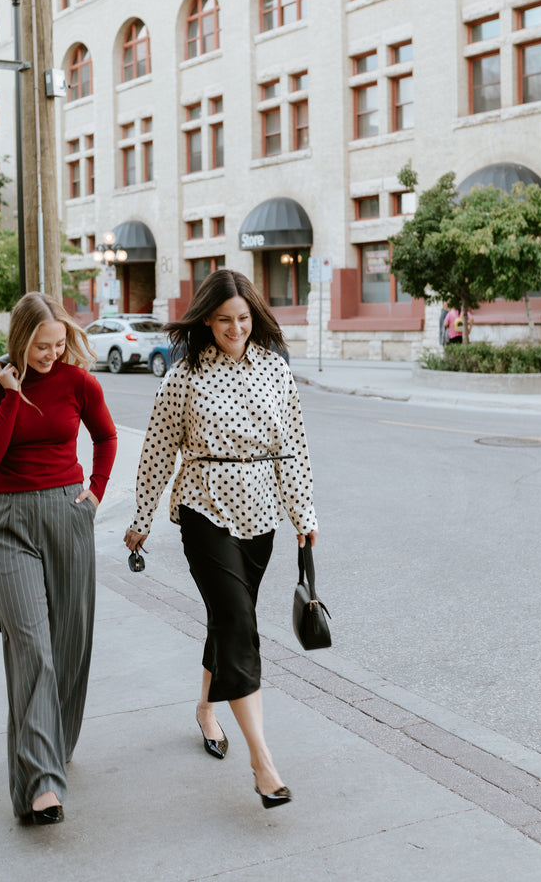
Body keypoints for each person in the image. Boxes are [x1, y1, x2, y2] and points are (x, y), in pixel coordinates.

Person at [124, 269, 318, 809]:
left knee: (230, 619)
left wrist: (304, 513)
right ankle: (263, 763)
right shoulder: (183, 377)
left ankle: (207, 709)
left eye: (244, 318)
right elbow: (158, 452)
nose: (236, 328)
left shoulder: (276, 372)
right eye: (224, 319)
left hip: (262, 516)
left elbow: (295, 447)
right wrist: (141, 517)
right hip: (203, 508)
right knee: (238, 621)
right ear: (205, 320)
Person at [0, 292, 117, 825]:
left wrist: (95, 493)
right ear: (20, 338)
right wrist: (11, 396)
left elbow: (106, 436)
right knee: (31, 646)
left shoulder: (78, 382)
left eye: (59, 345)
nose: (52, 355)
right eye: (41, 346)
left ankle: (54, 742)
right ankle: (41, 783)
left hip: (67, 514)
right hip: (7, 523)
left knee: (70, 643)